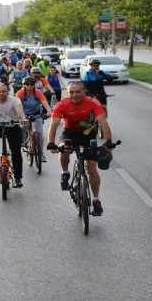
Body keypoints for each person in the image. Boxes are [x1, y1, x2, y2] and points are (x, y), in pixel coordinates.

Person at [46, 81, 113, 216]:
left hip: (88, 135)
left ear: (84, 92)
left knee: (92, 169)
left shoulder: (93, 103)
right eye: (71, 92)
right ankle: (65, 173)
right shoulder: (61, 105)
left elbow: (103, 122)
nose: (74, 95)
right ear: (67, 93)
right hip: (69, 133)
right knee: (63, 149)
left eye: (78, 92)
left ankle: (96, 200)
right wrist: (51, 142)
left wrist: (108, 142)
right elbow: (53, 124)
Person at [0, 83, 28, 187]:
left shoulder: (15, 100)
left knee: (16, 152)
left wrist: (22, 118)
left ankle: (17, 178)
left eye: (3, 91)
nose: (1, 94)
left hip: (13, 125)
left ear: (8, 92)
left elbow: (19, 110)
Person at [15, 77, 52, 163]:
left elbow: (44, 103)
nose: (30, 85)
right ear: (24, 85)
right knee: (22, 128)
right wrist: (21, 116)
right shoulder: (20, 93)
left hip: (36, 115)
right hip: (24, 115)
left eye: (32, 84)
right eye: (27, 84)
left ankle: (41, 154)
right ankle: (22, 141)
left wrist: (49, 112)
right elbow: (17, 105)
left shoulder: (38, 92)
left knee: (40, 134)